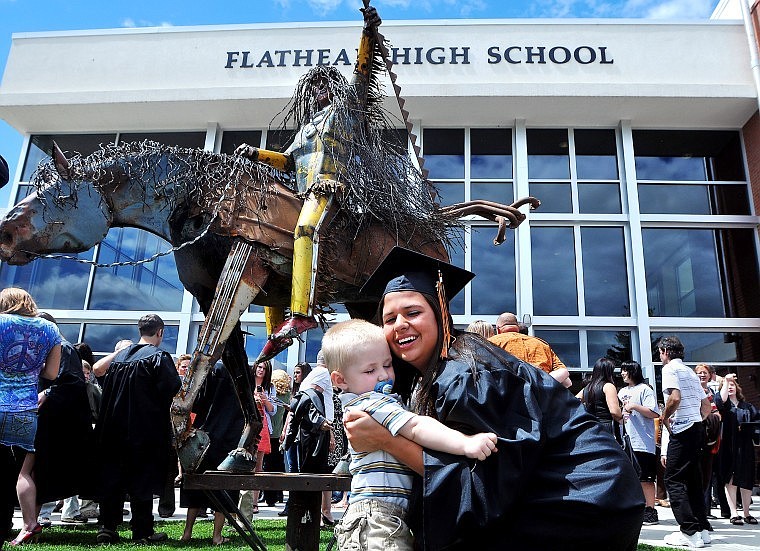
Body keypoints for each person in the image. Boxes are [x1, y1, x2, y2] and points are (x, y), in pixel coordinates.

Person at [344, 246, 644, 551]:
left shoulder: (465, 374)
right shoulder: (435, 373)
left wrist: (386, 438)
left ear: (441, 315)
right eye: (389, 319)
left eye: (413, 312)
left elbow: (484, 484)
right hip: (568, 492)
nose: (400, 325)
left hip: (582, 501)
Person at [237, 7, 445, 362]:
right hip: (300, 194)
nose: (318, 91)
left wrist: (367, 33)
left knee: (305, 231)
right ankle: (275, 323)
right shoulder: (305, 129)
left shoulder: (344, 112)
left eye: (323, 85)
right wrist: (255, 154)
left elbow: (362, 75)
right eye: (313, 86)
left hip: (329, 190)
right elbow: (287, 161)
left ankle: (302, 316)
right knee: (266, 243)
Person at [323, 319, 497, 551]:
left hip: (381, 517)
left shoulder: (369, 401)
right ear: (340, 380)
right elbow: (415, 427)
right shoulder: (373, 402)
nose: (384, 376)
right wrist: (465, 443)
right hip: (376, 519)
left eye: (387, 365)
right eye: (370, 370)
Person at [93, 314, 181, 544]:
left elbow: (98, 373)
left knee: (113, 478)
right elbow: (173, 391)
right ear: (160, 332)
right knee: (142, 479)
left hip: (113, 430)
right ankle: (142, 531)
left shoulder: (119, 357)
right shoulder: (159, 357)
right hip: (144, 430)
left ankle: (107, 527)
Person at [0, 289, 62, 546]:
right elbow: (51, 373)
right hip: (26, 407)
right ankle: (29, 524)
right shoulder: (50, 329)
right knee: (23, 472)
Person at [33, 313, 95, 527]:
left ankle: (33, 520)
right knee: (38, 472)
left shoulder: (63, 348)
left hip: (56, 423)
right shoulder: (50, 347)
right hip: (48, 419)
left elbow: (72, 384)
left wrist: (48, 393)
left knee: (40, 471)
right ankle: (33, 520)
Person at [180, 362, 244, 545]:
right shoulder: (237, 375)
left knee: (197, 483)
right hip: (228, 436)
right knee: (223, 486)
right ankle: (217, 536)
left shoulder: (211, 372)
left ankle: (187, 532)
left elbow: (196, 404)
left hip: (203, 435)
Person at [658, 336, 713, 548]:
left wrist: (665, 417)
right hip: (697, 427)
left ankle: (689, 532)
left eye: (660, 352)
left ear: (665, 351)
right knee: (693, 480)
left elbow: (675, 398)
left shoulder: (669, 369)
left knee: (673, 479)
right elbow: (706, 406)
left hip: (682, 428)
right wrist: (696, 420)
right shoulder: (689, 371)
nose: (660, 356)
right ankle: (702, 529)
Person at [281, 365, 333, 525]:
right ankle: (307, 514)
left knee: (310, 475)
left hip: (313, 442)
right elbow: (311, 414)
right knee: (309, 475)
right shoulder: (311, 395)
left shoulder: (306, 396)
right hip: (310, 443)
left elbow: (295, 422)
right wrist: (321, 423)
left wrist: (286, 443)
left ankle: (310, 514)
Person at [618, 361, 660, 526]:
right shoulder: (621, 392)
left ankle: (650, 510)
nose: (622, 374)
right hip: (626, 442)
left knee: (646, 478)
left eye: (625, 371)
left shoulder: (644, 389)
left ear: (633, 371)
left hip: (643, 441)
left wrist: (635, 406)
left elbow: (654, 412)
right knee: (630, 478)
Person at [714, 373, 759, 526]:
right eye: (727, 385)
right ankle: (734, 513)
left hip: (745, 447)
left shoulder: (748, 407)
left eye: (732, 384)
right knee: (730, 478)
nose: (730, 386)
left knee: (747, 478)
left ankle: (746, 512)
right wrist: (725, 381)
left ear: (738, 388)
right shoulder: (724, 406)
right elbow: (720, 400)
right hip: (728, 446)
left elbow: (757, 424)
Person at [488, 312, 571, 388]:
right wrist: (543, 385)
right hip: (539, 398)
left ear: (498, 329)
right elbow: (563, 373)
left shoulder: (490, 343)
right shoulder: (541, 344)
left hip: (507, 396)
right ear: (517, 328)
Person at [238, 360, 275, 519]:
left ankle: (254, 502)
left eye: (264, 368)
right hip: (247, 424)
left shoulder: (269, 387)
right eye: (259, 367)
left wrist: (264, 398)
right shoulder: (247, 382)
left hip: (263, 424)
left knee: (258, 466)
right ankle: (241, 501)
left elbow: (272, 410)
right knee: (244, 462)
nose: (261, 370)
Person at [694, 363, 722, 519]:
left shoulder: (710, 391)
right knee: (699, 475)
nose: (702, 375)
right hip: (698, 439)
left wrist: (713, 418)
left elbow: (716, 413)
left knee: (707, 475)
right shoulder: (694, 391)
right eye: (699, 373)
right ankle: (700, 512)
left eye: (705, 373)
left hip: (709, 439)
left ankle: (705, 511)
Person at [262, 368, 291, 508]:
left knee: (267, 466)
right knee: (278, 465)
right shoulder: (288, 395)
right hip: (279, 432)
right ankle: (278, 493)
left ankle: (268, 495)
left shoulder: (270, 394)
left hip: (268, 432)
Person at [577, 357, 623, 435]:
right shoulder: (608, 386)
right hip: (605, 427)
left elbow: (575, 401)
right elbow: (614, 412)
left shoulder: (587, 388)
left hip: (590, 427)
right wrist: (622, 418)